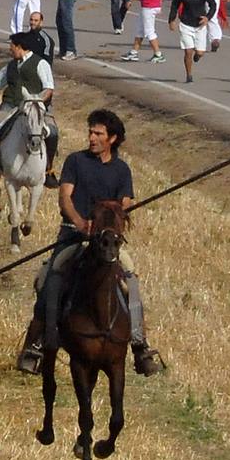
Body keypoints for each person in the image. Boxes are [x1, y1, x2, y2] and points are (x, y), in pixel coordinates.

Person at [16, 109, 163, 376]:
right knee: (50, 278)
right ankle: (36, 343)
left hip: (106, 244)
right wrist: (82, 224)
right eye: (91, 132)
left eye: (98, 133)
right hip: (73, 235)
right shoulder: (75, 161)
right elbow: (65, 197)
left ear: (112, 138)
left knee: (131, 282)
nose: (92, 137)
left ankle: (140, 346)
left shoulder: (122, 170)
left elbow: (125, 203)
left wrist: (107, 224)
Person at [168, 0, 214, 83]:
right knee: (188, 51)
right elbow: (174, 5)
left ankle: (198, 55)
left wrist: (207, 18)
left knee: (199, 52)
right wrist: (171, 20)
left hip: (200, 26)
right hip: (186, 24)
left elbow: (213, 5)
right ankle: (189, 75)